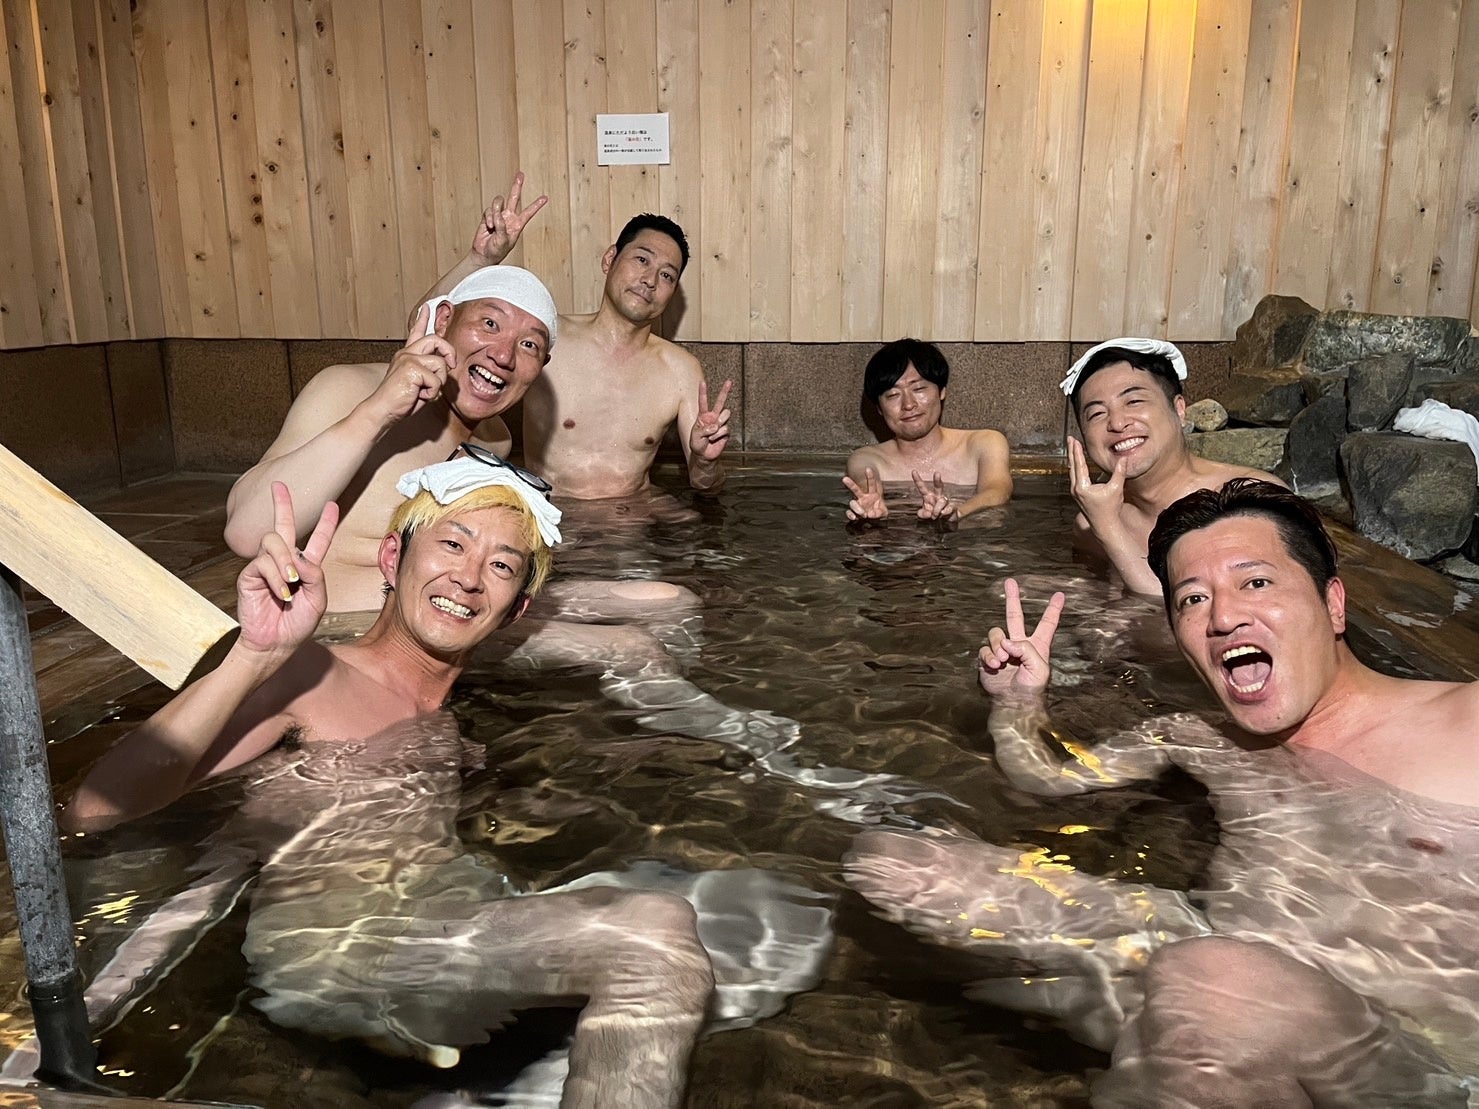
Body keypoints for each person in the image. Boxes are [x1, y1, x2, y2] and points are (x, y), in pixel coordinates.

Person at [67, 467, 718, 1106]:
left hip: (444, 935)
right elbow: (97, 809)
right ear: (391, 557)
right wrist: (254, 656)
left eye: (500, 565)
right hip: (346, 952)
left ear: (517, 608)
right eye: (452, 543)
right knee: (651, 933)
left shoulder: (441, 719)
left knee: (715, 924)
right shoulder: (310, 674)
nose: (468, 576)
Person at [846, 480, 1479, 1104]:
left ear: (1333, 604)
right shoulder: (1198, 736)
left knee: (1215, 982)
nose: (1223, 617)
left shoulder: (1466, 722)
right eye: (1193, 599)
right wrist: (1016, 706)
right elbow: (1048, 777)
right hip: (1212, 972)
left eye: (1256, 582)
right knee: (895, 864)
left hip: (1413, 1064)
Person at [421, 211, 732, 500]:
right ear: (610, 259)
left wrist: (705, 463)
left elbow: (705, 484)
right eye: (641, 260)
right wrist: (480, 259)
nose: (650, 280)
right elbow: (428, 325)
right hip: (555, 514)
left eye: (667, 276)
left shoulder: (681, 369)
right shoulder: (545, 340)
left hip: (634, 520)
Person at [1062, 337, 1279, 594]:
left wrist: (1109, 527)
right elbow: (1103, 602)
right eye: (1097, 414)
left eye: (1134, 402)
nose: (1117, 423)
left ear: (1179, 409)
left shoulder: (1249, 499)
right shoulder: (1088, 527)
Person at [843, 338, 1013, 523]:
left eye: (919, 388)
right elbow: (867, 489)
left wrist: (957, 514)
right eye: (893, 395)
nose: (908, 404)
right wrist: (869, 511)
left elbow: (997, 491)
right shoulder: (868, 459)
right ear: (879, 408)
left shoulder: (983, 443)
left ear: (941, 391)